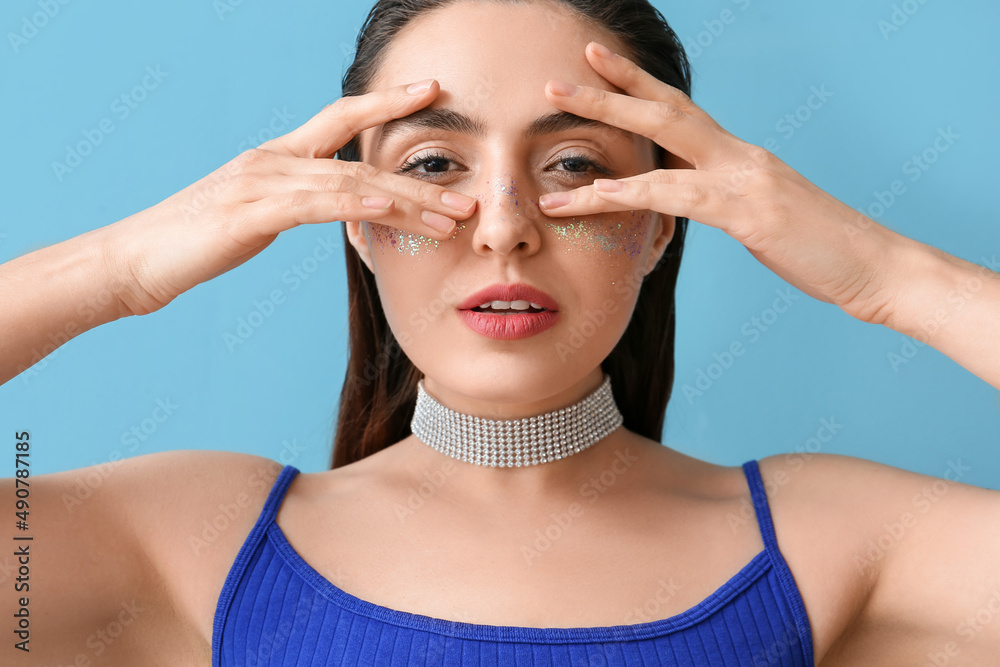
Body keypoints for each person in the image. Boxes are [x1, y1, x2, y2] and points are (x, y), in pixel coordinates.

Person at [2, 0, 998, 664]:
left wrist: (889, 276)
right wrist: (117, 268)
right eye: (434, 165)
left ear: (661, 221)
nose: (504, 224)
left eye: (572, 164)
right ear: (352, 213)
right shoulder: (198, 541)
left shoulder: (827, 543)